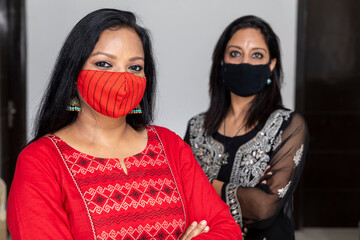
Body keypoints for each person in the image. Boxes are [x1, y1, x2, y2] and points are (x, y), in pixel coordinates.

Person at [7, 9, 242, 240]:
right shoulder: (40, 162)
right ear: (74, 73)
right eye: (104, 64)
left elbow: (225, 229)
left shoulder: (169, 145)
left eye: (135, 67)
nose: (122, 77)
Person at [184, 15, 309, 240]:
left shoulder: (289, 126)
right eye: (235, 53)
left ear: (271, 64)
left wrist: (205, 183)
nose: (245, 63)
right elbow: (181, 196)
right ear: (222, 61)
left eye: (257, 55)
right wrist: (245, 194)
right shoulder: (196, 127)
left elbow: (263, 209)